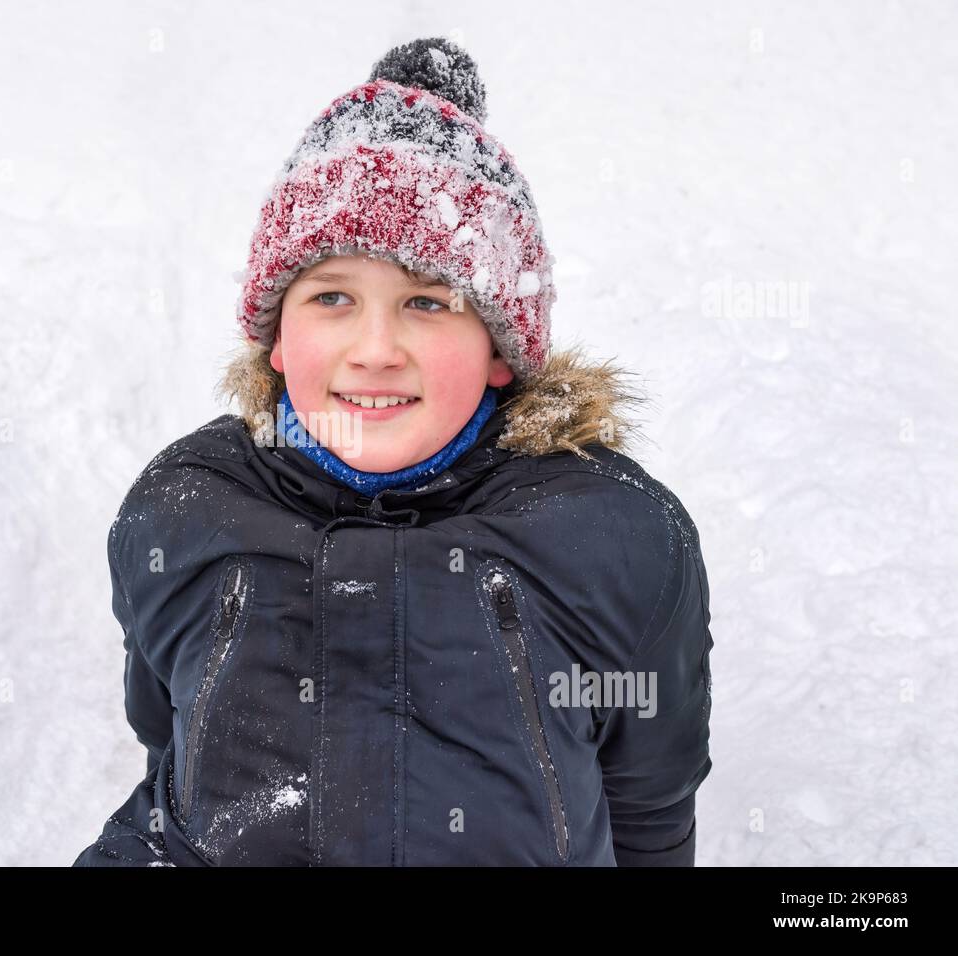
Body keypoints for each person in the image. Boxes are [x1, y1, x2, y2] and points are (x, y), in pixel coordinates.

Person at [74, 37, 713, 867]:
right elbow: (172, 748)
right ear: (275, 337)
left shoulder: (614, 534)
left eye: (426, 301)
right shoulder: (185, 508)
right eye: (332, 296)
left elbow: (648, 805)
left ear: (500, 349)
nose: (375, 349)